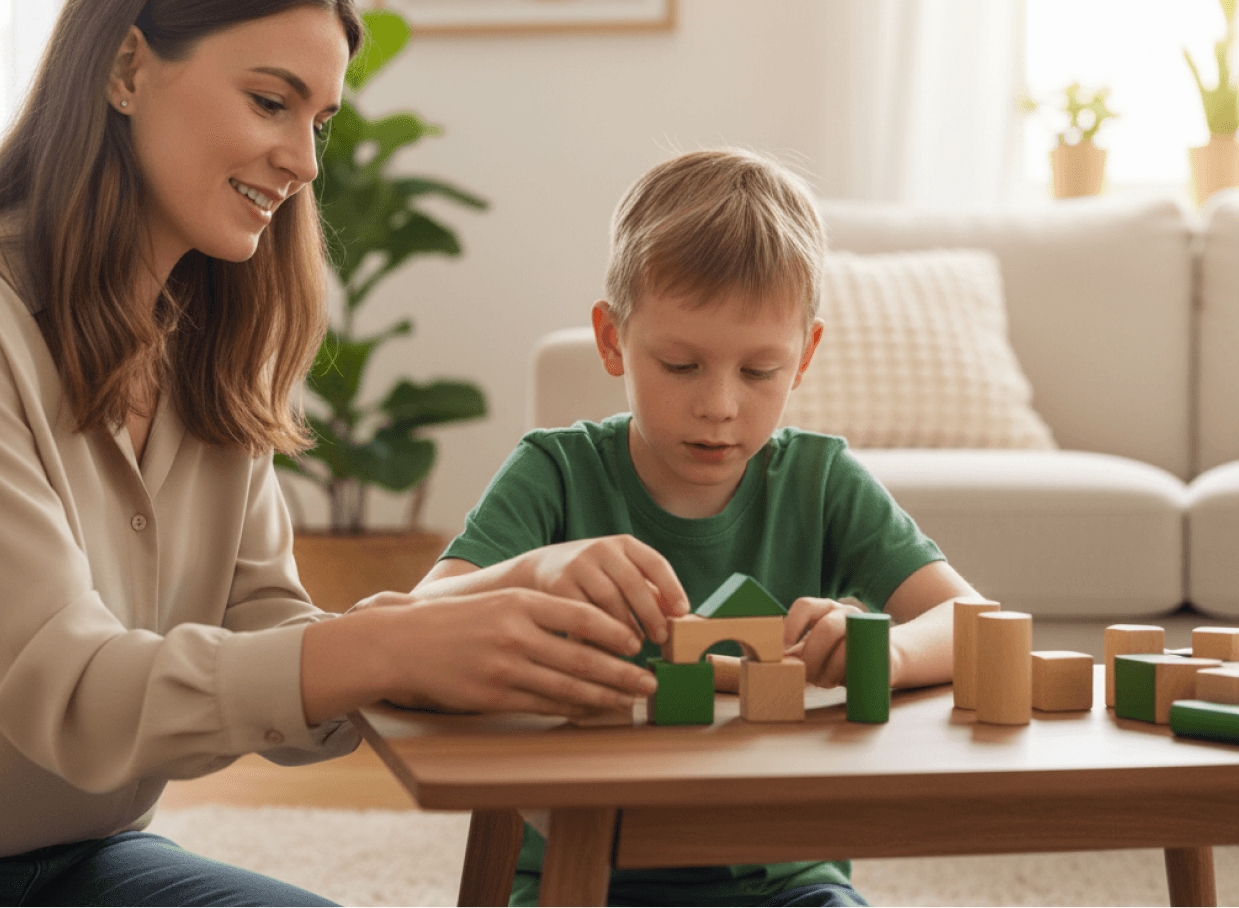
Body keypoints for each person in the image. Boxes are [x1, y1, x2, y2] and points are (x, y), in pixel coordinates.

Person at [0, 0, 658, 905]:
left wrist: (501, 592)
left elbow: (276, 640)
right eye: (269, 101)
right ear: (126, 69)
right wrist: (392, 642)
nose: (303, 161)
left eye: (319, 123)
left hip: (86, 859)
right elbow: (73, 690)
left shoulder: (207, 347)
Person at [413, 148, 987, 907]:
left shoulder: (820, 481)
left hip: (785, 879)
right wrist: (533, 572)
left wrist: (887, 649)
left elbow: (975, 624)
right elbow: (414, 622)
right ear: (612, 339)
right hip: (582, 870)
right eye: (681, 365)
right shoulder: (556, 473)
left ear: (805, 356)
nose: (719, 405)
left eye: (758, 372)